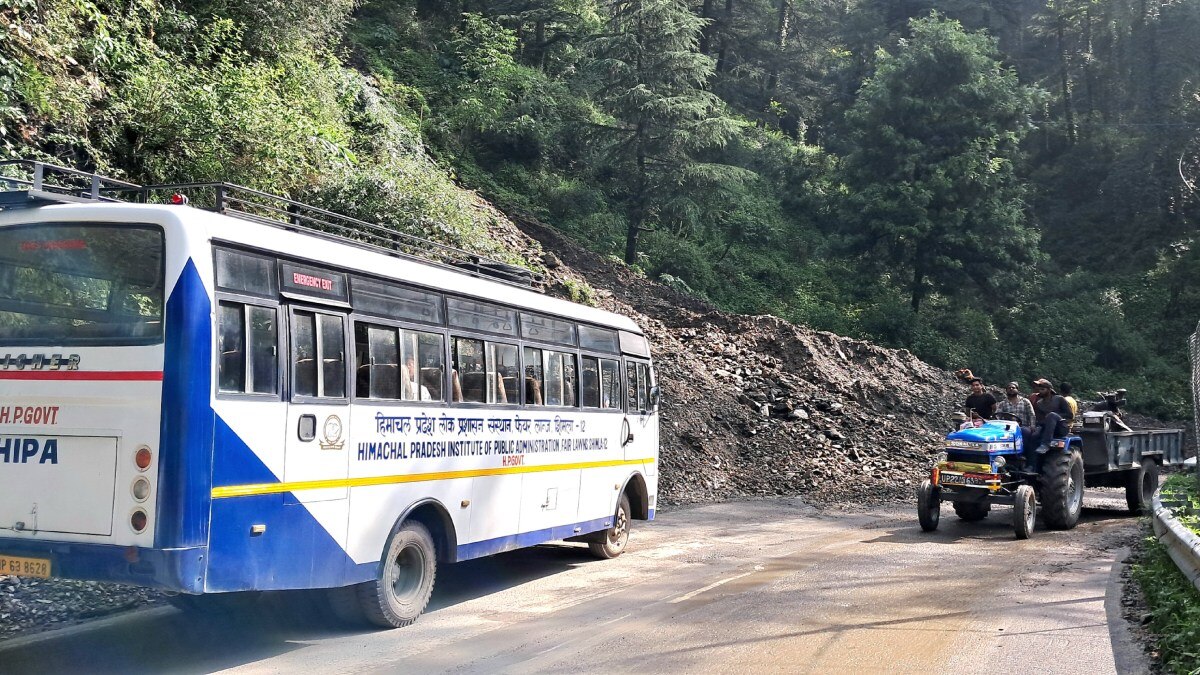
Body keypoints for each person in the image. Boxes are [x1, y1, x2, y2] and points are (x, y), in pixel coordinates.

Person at [1025, 378, 1074, 469]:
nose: (1040, 392)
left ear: (1049, 390)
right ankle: (1031, 465)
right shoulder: (1039, 403)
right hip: (1046, 428)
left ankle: (1046, 444)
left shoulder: (1059, 399)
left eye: (1043, 389)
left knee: (1052, 415)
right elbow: (1039, 419)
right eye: (1039, 390)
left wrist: (1054, 416)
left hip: (1061, 427)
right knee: (1033, 436)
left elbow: (1069, 415)